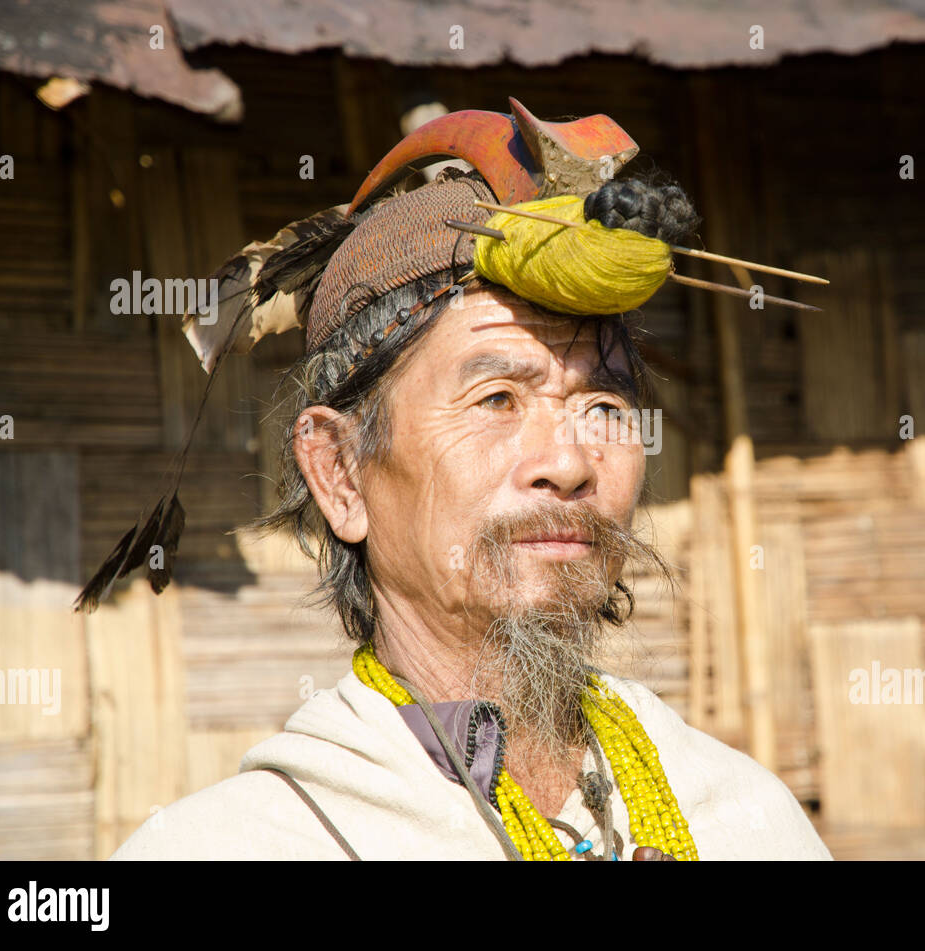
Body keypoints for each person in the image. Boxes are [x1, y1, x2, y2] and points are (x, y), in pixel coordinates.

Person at [106, 101, 832, 861]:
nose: (571, 462)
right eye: (496, 400)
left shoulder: (744, 818)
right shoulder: (240, 846)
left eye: (604, 404)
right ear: (340, 473)